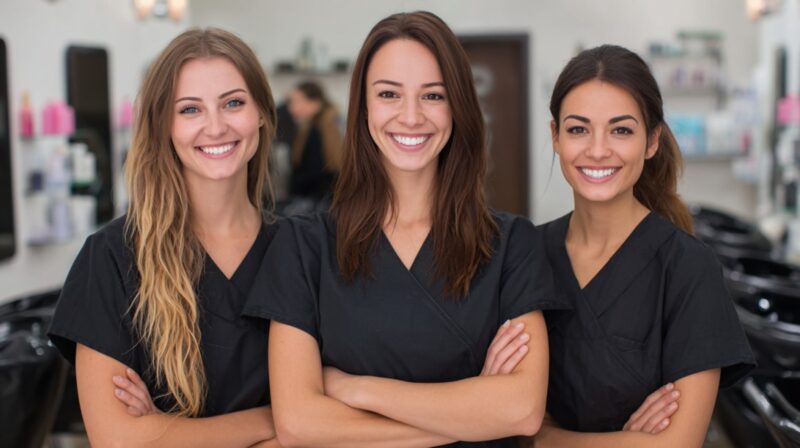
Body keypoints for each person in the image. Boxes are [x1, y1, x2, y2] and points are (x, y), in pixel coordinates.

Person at [243, 11, 568, 447]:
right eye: (389, 94)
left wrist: (357, 390)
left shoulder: (512, 245)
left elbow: (521, 410)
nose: (411, 116)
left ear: (459, 107)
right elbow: (300, 423)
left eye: (433, 96)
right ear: (363, 107)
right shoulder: (303, 246)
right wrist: (469, 414)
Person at [48, 28, 281, 447]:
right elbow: (119, 440)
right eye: (190, 109)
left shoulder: (301, 250)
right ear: (163, 125)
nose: (215, 126)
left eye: (233, 103)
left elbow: (337, 417)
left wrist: (166, 431)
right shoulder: (112, 259)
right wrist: (282, 419)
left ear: (261, 112)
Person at [533, 44, 755, 447]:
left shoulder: (688, 268)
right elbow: (500, 414)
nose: (598, 149)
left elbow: (678, 443)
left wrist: (544, 438)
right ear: (555, 137)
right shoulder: (526, 254)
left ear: (652, 141)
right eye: (578, 129)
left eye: (621, 130)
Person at [286, 80, 342, 199]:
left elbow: (311, 175)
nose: (291, 108)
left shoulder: (315, 132)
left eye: (296, 102)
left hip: (314, 203)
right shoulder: (330, 126)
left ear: (315, 103)